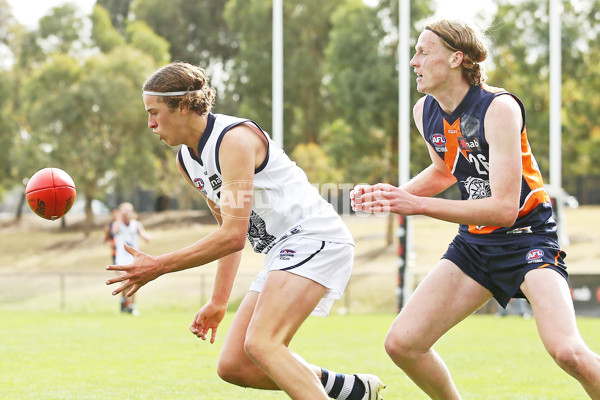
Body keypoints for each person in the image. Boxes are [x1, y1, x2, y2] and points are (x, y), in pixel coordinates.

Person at [352, 19, 600, 399]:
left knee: (569, 354)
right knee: (402, 344)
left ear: (456, 58)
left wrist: (416, 205)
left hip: (528, 241)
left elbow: (504, 209)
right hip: (475, 247)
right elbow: (443, 169)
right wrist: (394, 196)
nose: (414, 61)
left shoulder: (499, 108)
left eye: (423, 51)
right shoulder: (425, 111)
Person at [106, 62, 385, 400]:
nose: (150, 124)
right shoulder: (187, 160)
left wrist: (159, 265)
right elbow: (228, 232)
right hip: (284, 250)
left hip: (313, 238)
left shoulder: (233, 140)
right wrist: (218, 301)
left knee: (263, 344)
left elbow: (233, 235)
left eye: (154, 112)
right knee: (235, 364)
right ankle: (352, 392)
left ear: (182, 106)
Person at [111, 202, 150, 315]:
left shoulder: (136, 224)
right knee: (124, 283)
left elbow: (145, 236)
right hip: (121, 259)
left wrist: (145, 236)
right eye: (124, 210)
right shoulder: (117, 224)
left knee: (133, 283)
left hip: (134, 259)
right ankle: (125, 303)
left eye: (128, 210)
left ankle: (131, 305)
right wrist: (119, 218)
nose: (126, 213)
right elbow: (114, 231)